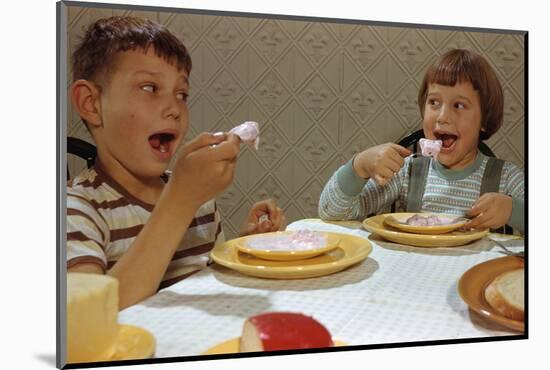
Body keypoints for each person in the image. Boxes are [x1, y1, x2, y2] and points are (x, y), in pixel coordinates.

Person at [67, 16, 286, 309]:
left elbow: (208, 280)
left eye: (181, 94)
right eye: (149, 88)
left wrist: (245, 248)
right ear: (91, 104)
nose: (174, 108)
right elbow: (86, 316)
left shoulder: (199, 201)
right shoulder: (75, 210)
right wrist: (180, 200)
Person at [318, 49, 524, 234]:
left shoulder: (505, 178)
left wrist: (513, 211)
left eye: (459, 105)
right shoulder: (407, 173)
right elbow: (332, 212)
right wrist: (359, 165)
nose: (443, 116)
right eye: (434, 102)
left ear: (484, 120)